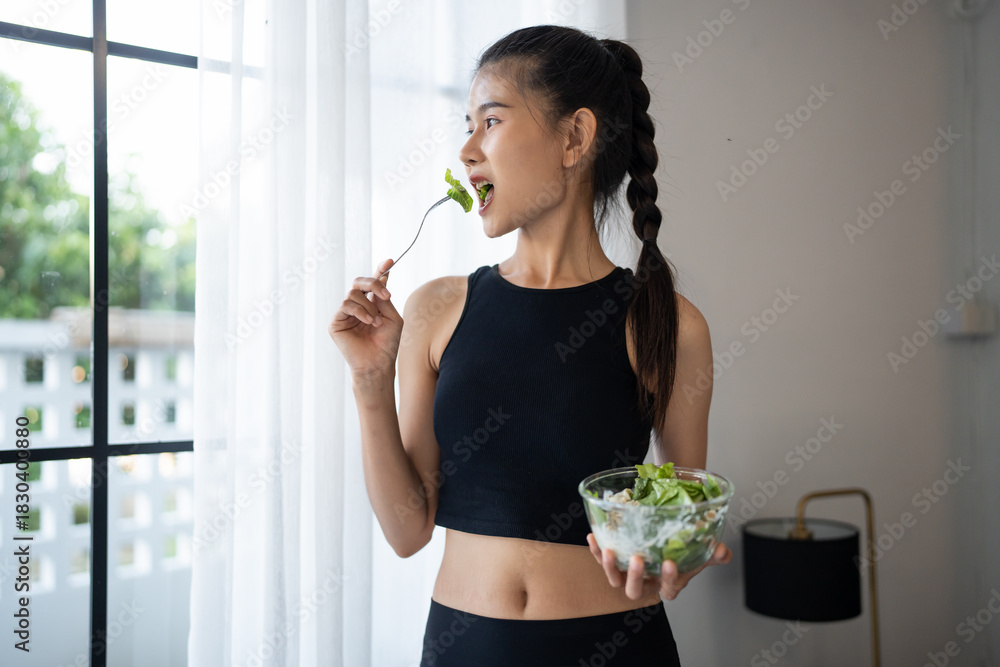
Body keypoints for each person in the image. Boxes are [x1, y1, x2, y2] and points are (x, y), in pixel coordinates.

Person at [329, 24, 730, 667]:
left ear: (575, 136)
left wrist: (675, 560)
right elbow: (407, 532)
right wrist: (370, 381)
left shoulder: (669, 323)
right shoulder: (436, 309)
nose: (466, 149)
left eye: (490, 121)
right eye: (467, 123)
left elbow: (681, 521)